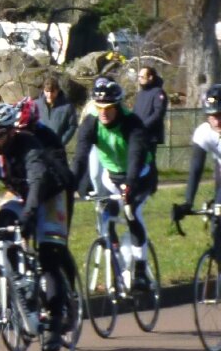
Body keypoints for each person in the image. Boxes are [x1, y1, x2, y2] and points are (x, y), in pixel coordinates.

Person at [0, 101, 79, 351]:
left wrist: (29, 218)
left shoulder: (29, 146)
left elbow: (37, 181)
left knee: (48, 254)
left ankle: (55, 322)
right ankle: (20, 288)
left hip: (49, 194)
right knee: (2, 227)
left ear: (11, 132)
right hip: (19, 193)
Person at [74, 76, 160, 290]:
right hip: (111, 177)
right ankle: (116, 263)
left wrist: (129, 185)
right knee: (107, 216)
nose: (103, 112)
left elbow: (136, 156)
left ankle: (140, 269)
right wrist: (74, 183)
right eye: (99, 107)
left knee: (131, 213)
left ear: (118, 106)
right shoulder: (91, 123)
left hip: (139, 175)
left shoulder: (132, 123)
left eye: (109, 107)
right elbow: (81, 156)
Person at [171, 84, 221, 223]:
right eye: (212, 116)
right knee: (217, 219)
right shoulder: (204, 132)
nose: (217, 121)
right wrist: (188, 202)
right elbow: (196, 169)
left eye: (220, 115)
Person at [34, 77, 77, 149]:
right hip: (39, 148)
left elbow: (72, 126)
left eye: (52, 91)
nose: (50, 95)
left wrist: (61, 142)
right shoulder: (36, 105)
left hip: (57, 149)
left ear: (58, 90)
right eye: (47, 91)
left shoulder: (68, 107)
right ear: (43, 91)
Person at [133, 66, 169, 143]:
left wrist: (143, 126)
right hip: (138, 135)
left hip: (150, 137)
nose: (139, 79)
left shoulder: (158, 93)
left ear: (150, 77)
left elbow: (158, 113)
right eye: (139, 77)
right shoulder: (140, 93)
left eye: (142, 77)